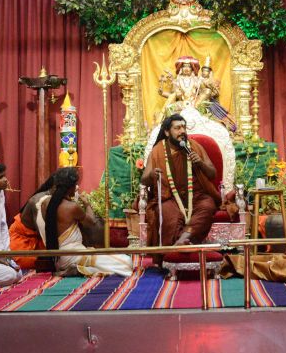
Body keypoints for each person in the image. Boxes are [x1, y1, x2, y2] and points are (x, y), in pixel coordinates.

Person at [34, 167, 132, 276]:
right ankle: (77, 269)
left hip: (58, 258)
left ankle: (77, 268)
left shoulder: (45, 203)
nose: (76, 188)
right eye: (75, 185)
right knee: (126, 262)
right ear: (70, 187)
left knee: (110, 257)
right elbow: (91, 222)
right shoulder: (72, 207)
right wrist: (87, 204)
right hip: (74, 255)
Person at [141, 114, 220, 247]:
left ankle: (182, 239)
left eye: (184, 127)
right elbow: (144, 180)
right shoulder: (157, 151)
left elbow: (212, 174)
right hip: (170, 197)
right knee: (167, 213)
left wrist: (200, 163)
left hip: (197, 196)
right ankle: (182, 244)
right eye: (177, 128)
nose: (182, 131)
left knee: (208, 207)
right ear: (167, 132)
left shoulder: (194, 147)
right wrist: (152, 175)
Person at [11, 181, 50, 270]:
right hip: (22, 240)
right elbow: (42, 232)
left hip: (39, 240)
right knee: (45, 260)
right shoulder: (37, 201)